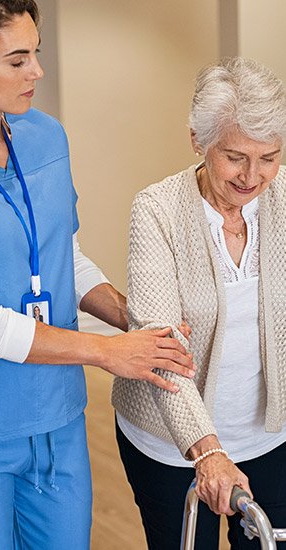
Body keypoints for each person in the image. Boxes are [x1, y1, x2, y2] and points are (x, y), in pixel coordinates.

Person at [0, 1, 196, 549]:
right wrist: (106, 353)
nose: (37, 73)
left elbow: (63, 257)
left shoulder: (46, 137)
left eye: (37, 54)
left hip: (59, 417)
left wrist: (131, 320)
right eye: (17, 59)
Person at [112, 57, 286, 549]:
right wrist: (207, 451)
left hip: (270, 434)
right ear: (197, 140)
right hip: (170, 443)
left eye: (269, 157)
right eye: (235, 156)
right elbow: (162, 349)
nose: (253, 176)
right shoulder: (157, 211)